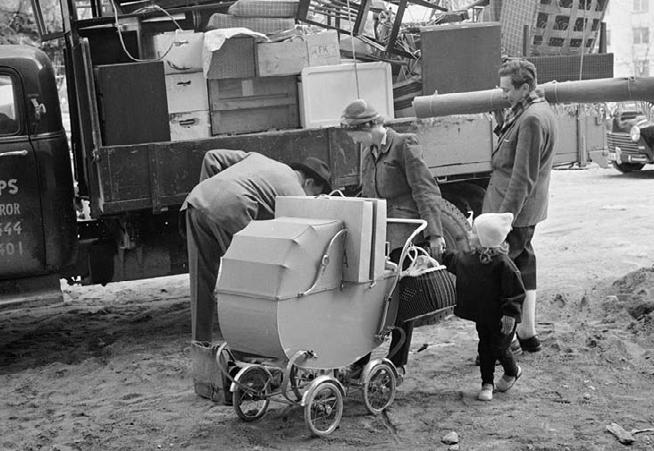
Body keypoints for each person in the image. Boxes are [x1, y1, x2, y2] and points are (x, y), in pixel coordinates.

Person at [341, 98, 445, 380]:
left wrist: (434, 232)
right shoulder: (368, 152)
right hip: (379, 231)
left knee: (399, 300)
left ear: (369, 126)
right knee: (369, 296)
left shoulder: (404, 145)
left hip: (404, 230)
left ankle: (397, 362)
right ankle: (360, 359)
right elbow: (367, 194)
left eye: (353, 133)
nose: (352, 139)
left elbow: (425, 189)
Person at [182, 149, 332, 342]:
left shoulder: (259, 158)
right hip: (233, 209)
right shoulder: (294, 192)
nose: (310, 200)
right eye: (313, 195)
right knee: (254, 282)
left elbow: (212, 157)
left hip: (197, 201)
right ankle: (250, 345)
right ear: (309, 183)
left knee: (201, 278)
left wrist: (211, 199)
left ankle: (200, 343)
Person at [483, 59, 557, 353]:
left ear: (525, 87)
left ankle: (503, 341)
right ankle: (528, 333)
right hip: (524, 209)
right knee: (524, 266)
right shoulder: (534, 111)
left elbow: (523, 175)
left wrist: (504, 219)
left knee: (502, 275)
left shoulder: (531, 119)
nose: (503, 95)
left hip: (514, 210)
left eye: (507, 90)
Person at [443, 212, 526, 401]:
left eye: (473, 232)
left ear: (484, 239)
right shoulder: (470, 258)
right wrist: (439, 255)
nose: (469, 234)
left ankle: (513, 371)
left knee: (499, 347)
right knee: (485, 348)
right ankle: (486, 383)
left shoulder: (504, 264)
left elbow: (516, 291)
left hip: (504, 317)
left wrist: (510, 313)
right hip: (484, 315)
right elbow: (454, 260)